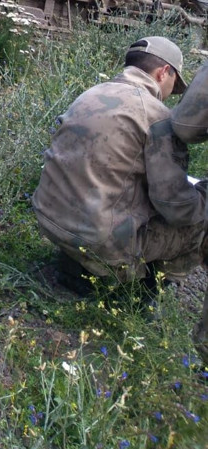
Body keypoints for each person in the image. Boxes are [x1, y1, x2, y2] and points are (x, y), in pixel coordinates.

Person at [32, 36, 208, 291]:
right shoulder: (157, 116)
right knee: (199, 219)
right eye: (174, 85)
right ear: (164, 72)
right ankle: (143, 295)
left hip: (49, 219)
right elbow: (176, 208)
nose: (171, 95)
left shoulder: (91, 93)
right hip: (99, 240)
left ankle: (74, 265)